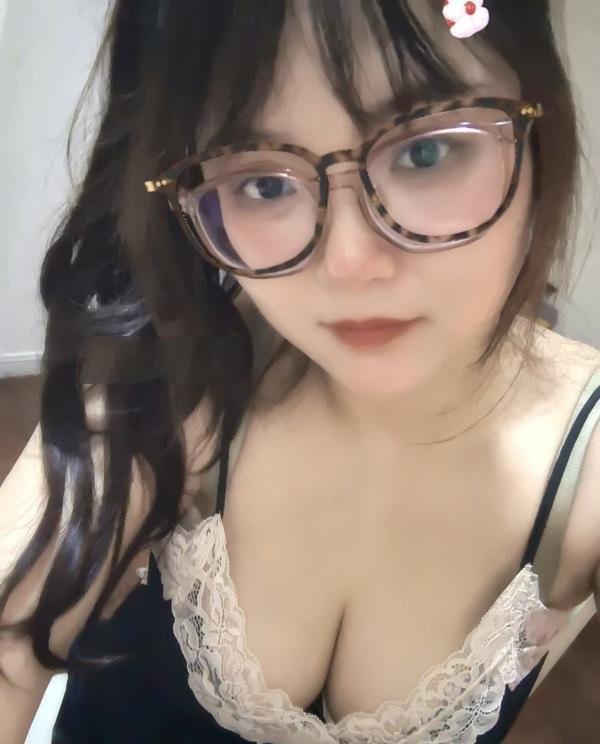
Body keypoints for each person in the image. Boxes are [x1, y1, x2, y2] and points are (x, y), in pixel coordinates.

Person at [1, 1, 599, 742]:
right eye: (263, 183)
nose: (350, 263)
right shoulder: (166, 389)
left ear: (541, 125)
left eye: (426, 151)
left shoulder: (585, 460)